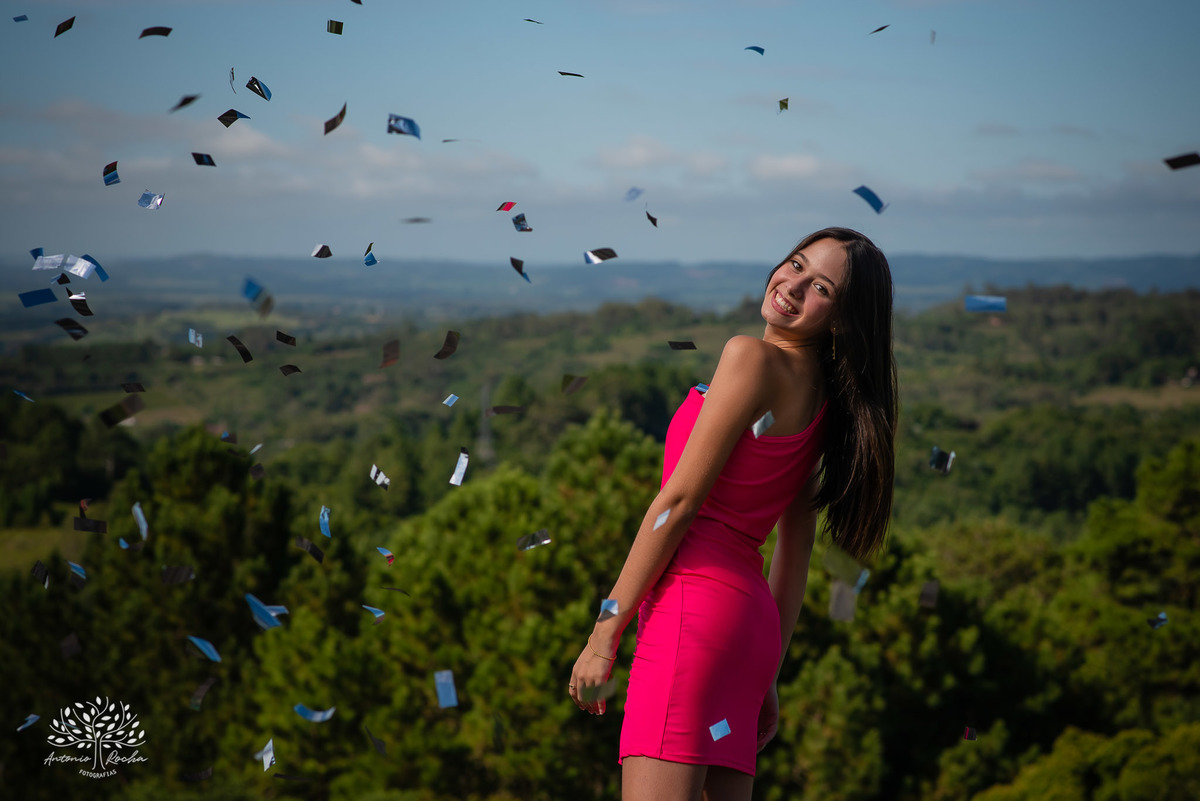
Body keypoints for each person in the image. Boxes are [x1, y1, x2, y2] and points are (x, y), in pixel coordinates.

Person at [568, 227, 898, 801]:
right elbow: (794, 562)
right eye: (795, 264)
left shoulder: (751, 356)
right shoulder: (824, 401)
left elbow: (677, 502)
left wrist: (605, 632)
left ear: (842, 320)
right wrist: (763, 672)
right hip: (746, 629)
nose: (791, 285)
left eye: (819, 286)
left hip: (689, 614)